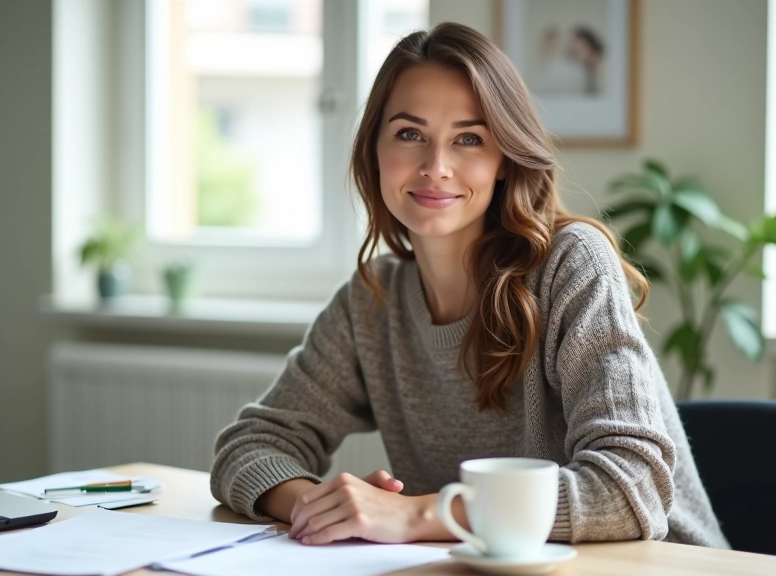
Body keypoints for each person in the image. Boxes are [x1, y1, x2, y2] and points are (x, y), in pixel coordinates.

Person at [210, 22, 729, 550]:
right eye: (409, 134)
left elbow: (630, 489)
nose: (436, 167)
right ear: (375, 150)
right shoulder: (372, 302)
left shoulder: (571, 265)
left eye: (469, 139)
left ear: (504, 160)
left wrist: (415, 515)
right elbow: (248, 448)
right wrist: (321, 507)